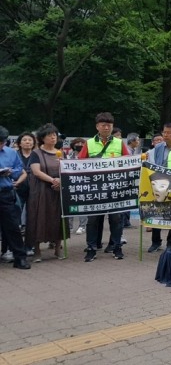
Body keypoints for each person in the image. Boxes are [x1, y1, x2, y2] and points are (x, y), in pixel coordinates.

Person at [78, 112, 130, 262]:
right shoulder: (89, 143)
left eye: (109, 125)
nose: (106, 127)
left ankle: (117, 246)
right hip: (95, 189)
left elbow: (128, 161)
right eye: (103, 125)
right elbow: (80, 163)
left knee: (116, 219)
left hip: (115, 188)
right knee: (93, 219)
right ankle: (91, 248)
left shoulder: (120, 143)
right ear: (97, 126)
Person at [26, 123, 69, 261]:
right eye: (50, 135)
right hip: (41, 191)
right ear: (42, 138)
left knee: (58, 218)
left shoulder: (60, 153)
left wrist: (60, 181)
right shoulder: (36, 153)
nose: (53, 138)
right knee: (39, 218)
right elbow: (36, 171)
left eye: (55, 135)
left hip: (58, 191)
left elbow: (67, 170)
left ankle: (57, 249)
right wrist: (53, 180)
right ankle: (37, 251)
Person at [0, 125, 30, 269]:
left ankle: (20, 258)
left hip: (5, 193)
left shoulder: (11, 153)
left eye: (2, 142)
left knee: (13, 227)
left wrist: (10, 172)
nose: (0, 145)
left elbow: (19, 169)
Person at [146, 123, 171, 252]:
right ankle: (155, 241)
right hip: (159, 183)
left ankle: (170, 242)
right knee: (156, 212)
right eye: (164, 132)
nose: (165, 135)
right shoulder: (158, 147)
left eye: (169, 133)